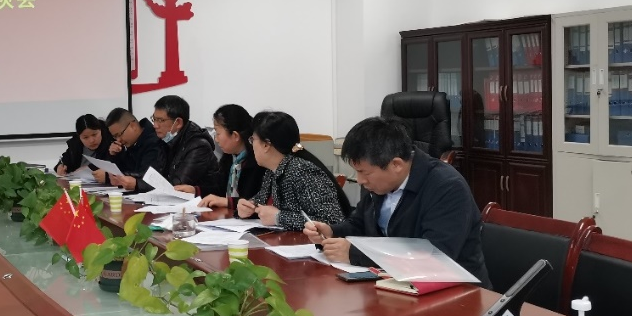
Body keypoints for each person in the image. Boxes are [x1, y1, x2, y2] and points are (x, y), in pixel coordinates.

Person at [305, 117, 491, 288]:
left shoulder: (447, 187)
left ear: (396, 165)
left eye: (364, 172)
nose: (360, 180)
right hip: (394, 284)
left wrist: (355, 255)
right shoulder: (379, 184)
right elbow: (360, 224)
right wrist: (332, 232)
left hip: (456, 292)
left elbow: (434, 256)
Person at [237, 111, 350, 230]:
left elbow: (332, 220)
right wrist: (248, 207)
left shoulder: (302, 171)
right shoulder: (272, 171)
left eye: (252, 140)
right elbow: (260, 202)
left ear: (266, 145)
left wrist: (279, 218)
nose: (251, 145)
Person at [192, 104, 265, 210]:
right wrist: (195, 191)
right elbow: (220, 189)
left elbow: (255, 200)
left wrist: (228, 202)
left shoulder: (257, 163)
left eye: (218, 133)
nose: (216, 139)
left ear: (235, 136)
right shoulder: (229, 158)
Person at [150, 95, 220, 194]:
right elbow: (155, 175)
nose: (155, 125)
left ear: (178, 123)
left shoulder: (198, 146)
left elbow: (177, 186)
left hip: (203, 202)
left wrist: (139, 184)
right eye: (154, 119)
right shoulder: (163, 140)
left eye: (161, 120)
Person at [97, 108, 167, 192]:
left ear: (133, 126)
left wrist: (109, 177)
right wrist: (114, 156)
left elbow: (148, 177)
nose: (118, 140)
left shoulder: (153, 142)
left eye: (119, 134)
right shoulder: (133, 143)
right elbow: (126, 168)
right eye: (115, 137)